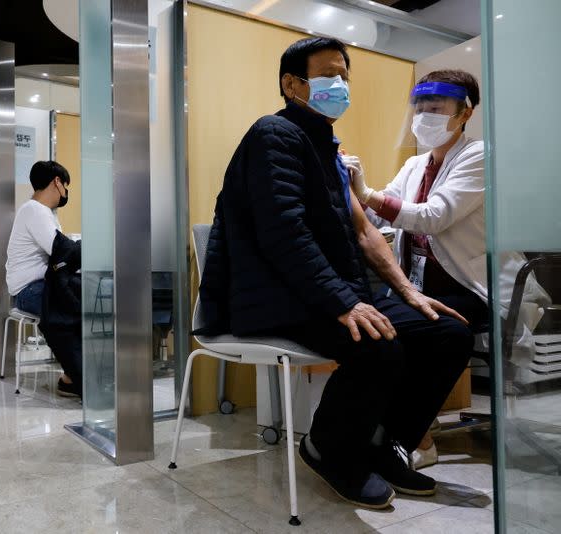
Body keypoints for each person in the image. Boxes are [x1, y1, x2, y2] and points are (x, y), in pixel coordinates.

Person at [197, 37, 473, 510]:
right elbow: (285, 233)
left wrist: (409, 293)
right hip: (275, 297)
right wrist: (344, 301)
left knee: (446, 331)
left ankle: (381, 443)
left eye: (345, 77)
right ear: (292, 84)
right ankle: (328, 447)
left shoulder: (328, 149)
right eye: (329, 75)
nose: (341, 85)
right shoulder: (274, 135)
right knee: (380, 346)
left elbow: (364, 230)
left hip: (318, 292)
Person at [341, 70, 485, 469]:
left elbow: (433, 217)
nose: (424, 116)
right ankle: (393, 432)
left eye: (436, 108)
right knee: (388, 330)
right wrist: (357, 187)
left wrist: (369, 195)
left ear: (465, 113)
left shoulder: (480, 155)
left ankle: (410, 436)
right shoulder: (416, 163)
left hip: (466, 288)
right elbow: (388, 209)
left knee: (435, 332)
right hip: (417, 284)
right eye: (419, 107)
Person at [6, 160, 79, 397]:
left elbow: (61, 251)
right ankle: (76, 376)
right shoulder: (34, 210)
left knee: (81, 299)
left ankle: (74, 375)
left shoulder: (42, 213)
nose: (65, 193)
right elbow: (58, 249)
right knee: (72, 307)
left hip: (36, 286)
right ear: (57, 182)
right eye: (66, 186)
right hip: (29, 291)